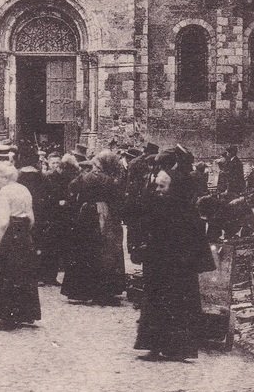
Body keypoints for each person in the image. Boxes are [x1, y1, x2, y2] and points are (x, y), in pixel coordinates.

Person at [133, 167, 209, 362]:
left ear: (173, 188)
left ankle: (177, 349)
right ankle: (155, 347)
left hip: (177, 269)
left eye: (162, 186)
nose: (157, 190)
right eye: (157, 186)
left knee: (177, 307)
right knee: (156, 305)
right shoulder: (159, 204)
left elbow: (192, 238)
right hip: (160, 266)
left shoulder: (183, 208)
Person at [0, 161, 41, 330]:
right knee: (23, 274)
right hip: (23, 236)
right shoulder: (24, 189)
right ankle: (25, 313)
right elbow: (31, 218)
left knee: (5, 275)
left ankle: (6, 316)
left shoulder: (5, 192)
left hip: (8, 237)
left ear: (5, 178)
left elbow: (2, 222)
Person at [61, 150, 126, 306]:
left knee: (84, 251)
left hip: (86, 215)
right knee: (105, 252)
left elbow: (72, 187)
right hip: (106, 216)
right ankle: (104, 291)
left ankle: (81, 290)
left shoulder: (85, 177)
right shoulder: (111, 181)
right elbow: (118, 200)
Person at [37, 154, 78, 287]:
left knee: (56, 248)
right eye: (53, 163)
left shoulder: (64, 178)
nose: (55, 165)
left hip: (60, 217)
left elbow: (67, 193)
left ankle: (51, 276)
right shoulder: (45, 177)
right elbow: (43, 197)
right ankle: (42, 276)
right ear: (48, 163)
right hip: (48, 216)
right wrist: (55, 202)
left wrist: (65, 201)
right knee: (45, 247)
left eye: (57, 163)